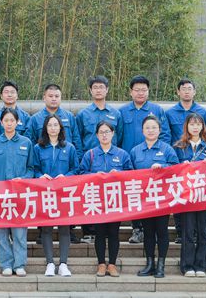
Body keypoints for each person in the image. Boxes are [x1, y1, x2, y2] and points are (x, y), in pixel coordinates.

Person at [119, 75, 170, 245]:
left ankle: (152, 230)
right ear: (131, 92)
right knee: (134, 195)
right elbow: (118, 136)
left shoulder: (157, 110)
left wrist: (161, 155)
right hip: (132, 161)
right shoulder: (122, 111)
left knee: (153, 196)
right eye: (137, 90)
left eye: (144, 90)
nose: (140, 93)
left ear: (148, 91)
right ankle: (137, 229)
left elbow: (166, 135)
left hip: (154, 163)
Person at [79, 120, 133, 278]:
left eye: (107, 132)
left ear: (113, 134)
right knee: (100, 233)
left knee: (114, 233)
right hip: (97, 199)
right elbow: (81, 174)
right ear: (96, 135)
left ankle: (112, 264)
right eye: (101, 132)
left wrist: (119, 174)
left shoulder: (122, 154)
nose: (104, 135)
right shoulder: (90, 154)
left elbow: (131, 174)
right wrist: (94, 175)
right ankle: (101, 264)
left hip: (115, 199)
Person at [0, 107, 34, 277]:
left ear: (17, 122)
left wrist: (23, 179)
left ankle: (19, 264)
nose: (9, 123)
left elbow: (31, 169)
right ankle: (6, 263)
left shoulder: (26, 143)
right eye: (6, 120)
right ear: (1, 122)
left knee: (19, 232)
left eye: (12, 120)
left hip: (19, 195)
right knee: (1, 232)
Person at [129, 115, 179, 278]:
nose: (151, 130)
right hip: (144, 198)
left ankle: (161, 265)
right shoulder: (135, 151)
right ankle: (150, 264)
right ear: (142, 131)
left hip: (162, 198)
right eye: (147, 128)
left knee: (162, 231)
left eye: (154, 127)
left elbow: (176, 169)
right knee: (148, 232)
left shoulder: (167, 149)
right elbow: (129, 173)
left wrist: (163, 167)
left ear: (159, 130)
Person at [75, 76, 121, 243]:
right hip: (90, 161)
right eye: (95, 87)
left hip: (112, 160)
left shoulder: (116, 114)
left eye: (102, 87)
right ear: (90, 90)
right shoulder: (83, 114)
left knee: (110, 196)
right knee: (89, 196)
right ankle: (89, 232)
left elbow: (120, 137)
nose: (99, 90)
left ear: (107, 90)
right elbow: (78, 138)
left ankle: (108, 232)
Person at [33, 114, 78, 277]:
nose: (53, 128)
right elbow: (34, 168)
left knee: (64, 228)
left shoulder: (69, 148)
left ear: (60, 128)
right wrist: (40, 176)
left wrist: (65, 176)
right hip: (45, 193)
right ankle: (50, 263)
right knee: (46, 229)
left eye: (55, 125)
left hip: (64, 194)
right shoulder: (38, 148)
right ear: (45, 128)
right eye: (50, 125)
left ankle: (63, 263)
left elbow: (75, 169)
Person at [173, 112, 206, 277]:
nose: (195, 127)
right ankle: (187, 266)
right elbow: (172, 170)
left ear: (203, 126)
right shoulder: (179, 147)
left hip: (204, 196)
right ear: (186, 126)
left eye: (198, 124)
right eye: (192, 124)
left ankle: (201, 266)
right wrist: (181, 166)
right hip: (186, 197)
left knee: (203, 232)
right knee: (188, 232)